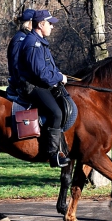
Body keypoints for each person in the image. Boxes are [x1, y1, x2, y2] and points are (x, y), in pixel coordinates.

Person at [18, 10, 71, 168]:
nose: (52, 27)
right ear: (41, 24)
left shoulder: (40, 41)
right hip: (33, 86)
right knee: (56, 112)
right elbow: (40, 73)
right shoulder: (33, 43)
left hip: (40, 84)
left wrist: (58, 75)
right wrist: (59, 78)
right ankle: (53, 154)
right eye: (50, 23)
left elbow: (47, 68)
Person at [6, 9, 35, 100]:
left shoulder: (27, 37)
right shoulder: (20, 39)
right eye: (35, 21)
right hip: (21, 86)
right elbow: (16, 65)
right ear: (28, 23)